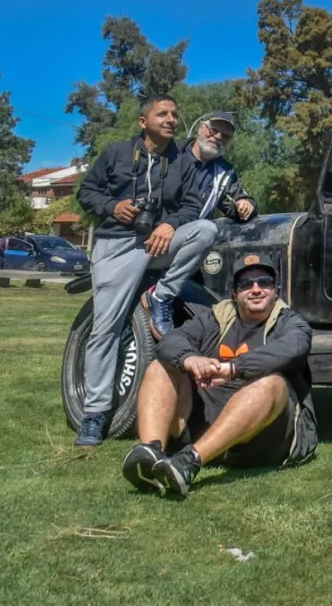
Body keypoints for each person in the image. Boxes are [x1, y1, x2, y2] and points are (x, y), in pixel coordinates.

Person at [74, 94, 217, 447]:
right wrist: (112, 206)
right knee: (105, 328)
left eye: (174, 114)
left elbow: (192, 206)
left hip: (157, 244)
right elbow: (86, 192)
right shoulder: (116, 153)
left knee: (206, 230)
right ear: (143, 122)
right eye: (162, 114)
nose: (170, 119)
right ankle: (94, 414)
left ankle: (161, 296)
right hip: (117, 245)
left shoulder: (182, 162)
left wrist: (170, 225)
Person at [122, 252, 318, 498]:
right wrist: (189, 359)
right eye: (246, 284)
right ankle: (150, 454)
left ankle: (189, 462)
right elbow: (170, 342)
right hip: (203, 423)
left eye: (264, 283)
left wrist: (232, 369)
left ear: (275, 291)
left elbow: (296, 347)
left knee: (271, 383)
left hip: (261, 439)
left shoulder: (290, 323)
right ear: (235, 293)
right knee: (161, 367)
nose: (256, 289)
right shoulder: (214, 318)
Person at [180, 111, 258, 222]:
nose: (218, 137)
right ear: (201, 128)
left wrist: (246, 205)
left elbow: (236, 201)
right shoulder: (173, 154)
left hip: (191, 233)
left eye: (225, 136)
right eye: (213, 130)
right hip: (156, 228)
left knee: (208, 228)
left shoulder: (224, 172)